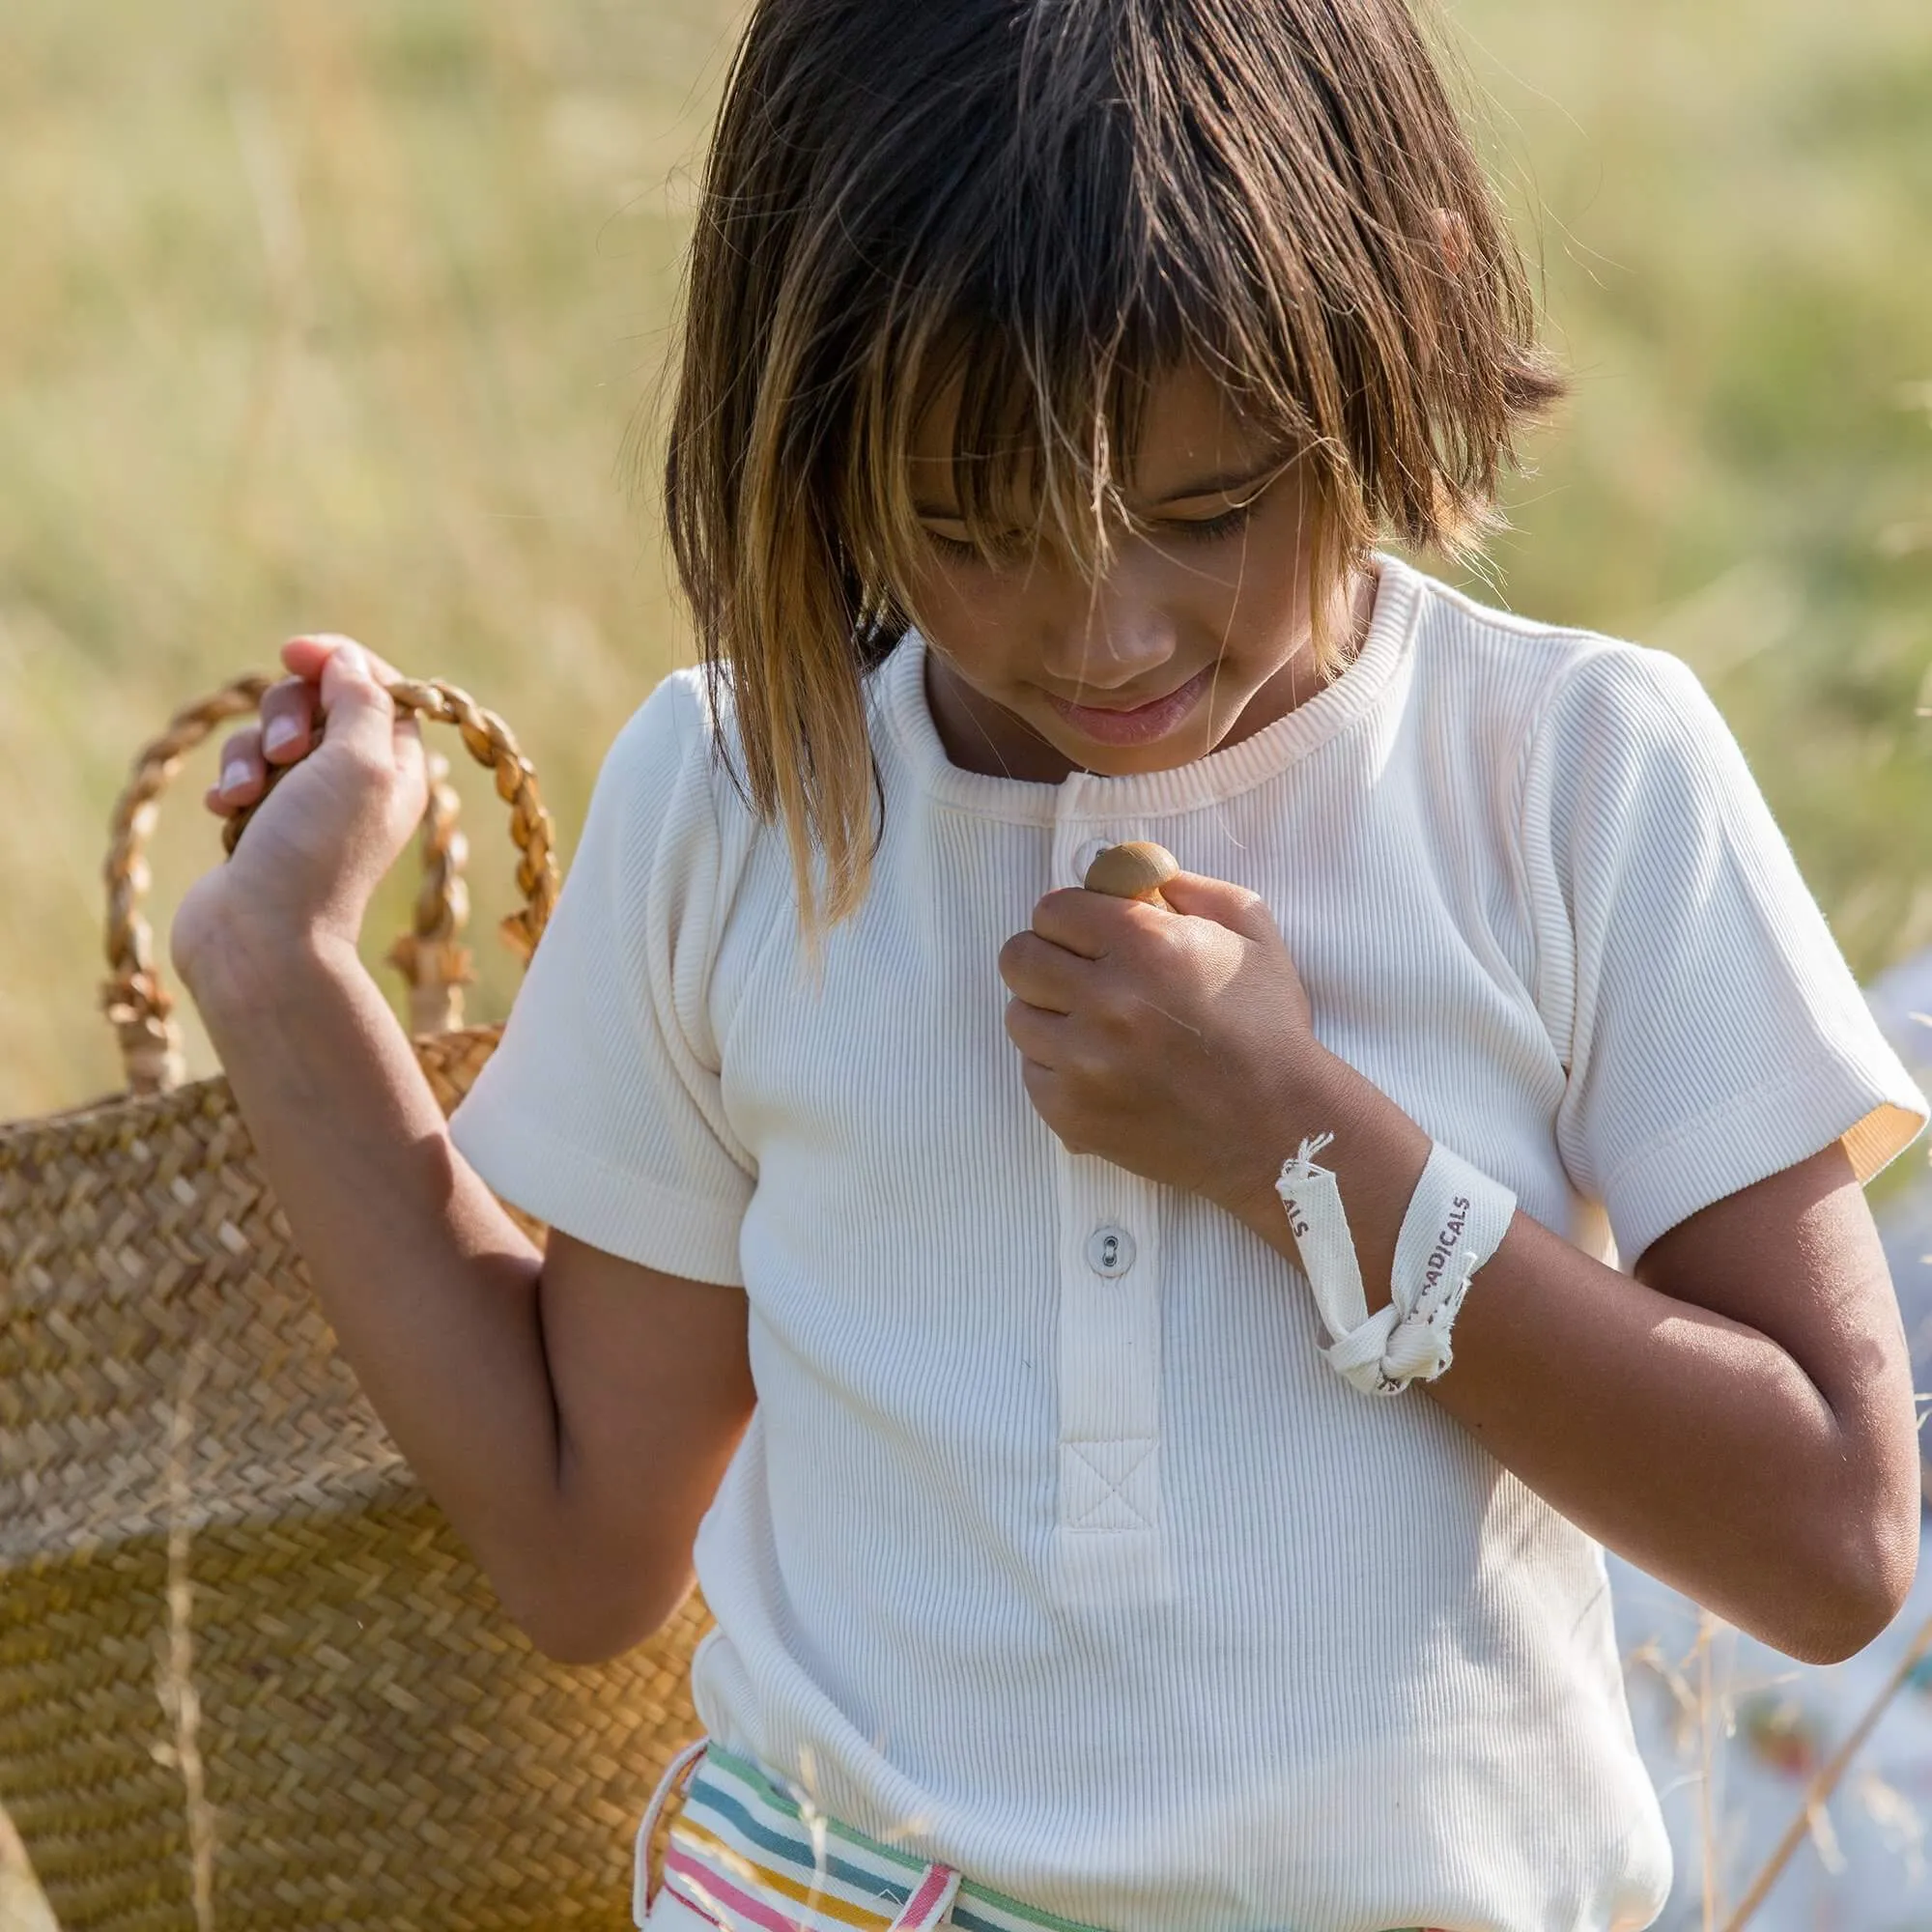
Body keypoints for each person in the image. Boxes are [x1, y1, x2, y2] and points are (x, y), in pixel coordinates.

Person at [171, 0, 1929, 1926]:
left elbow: (1828, 1538)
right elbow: (587, 1542)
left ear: (1396, 312)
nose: (1107, 633)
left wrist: (1298, 1143)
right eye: (973, 529)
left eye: (1204, 511)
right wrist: (281, 980)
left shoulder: (1577, 780)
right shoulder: (748, 799)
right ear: (810, 415)